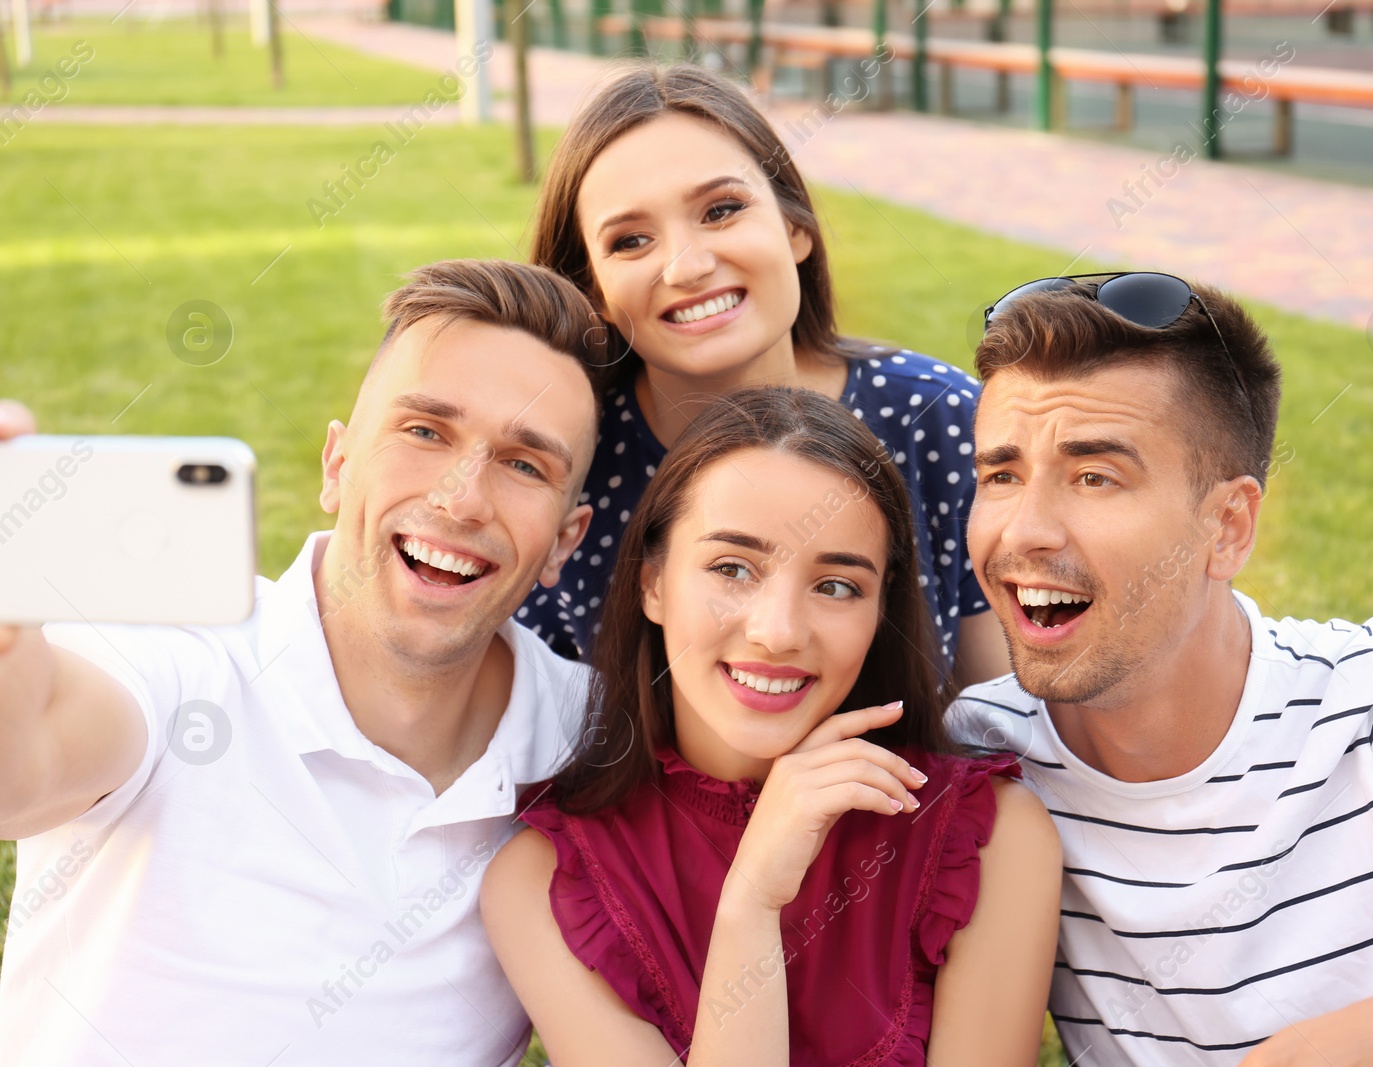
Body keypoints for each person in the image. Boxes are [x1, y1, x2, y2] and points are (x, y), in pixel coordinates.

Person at [947, 272, 1373, 1067]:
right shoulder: (980, 763)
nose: (1026, 530)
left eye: (1095, 476)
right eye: (1002, 476)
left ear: (1228, 526)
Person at [0, 260, 603, 1065]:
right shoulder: (180, 656)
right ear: (336, 465)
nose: (462, 499)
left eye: (525, 464)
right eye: (424, 431)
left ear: (566, 539)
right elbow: (25, 756)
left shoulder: (591, 741)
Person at [481, 387, 1061, 1066]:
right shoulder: (545, 879)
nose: (777, 630)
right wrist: (751, 903)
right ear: (654, 583)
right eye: (732, 568)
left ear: (880, 610)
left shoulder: (988, 836)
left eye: (837, 585)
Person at [516, 62, 1009, 687]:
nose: (687, 265)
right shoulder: (565, 461)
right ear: (592, 290)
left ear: (795, 227)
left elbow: (1006, 726)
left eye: (721, 210)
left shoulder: (937, 419)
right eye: (631, 241)